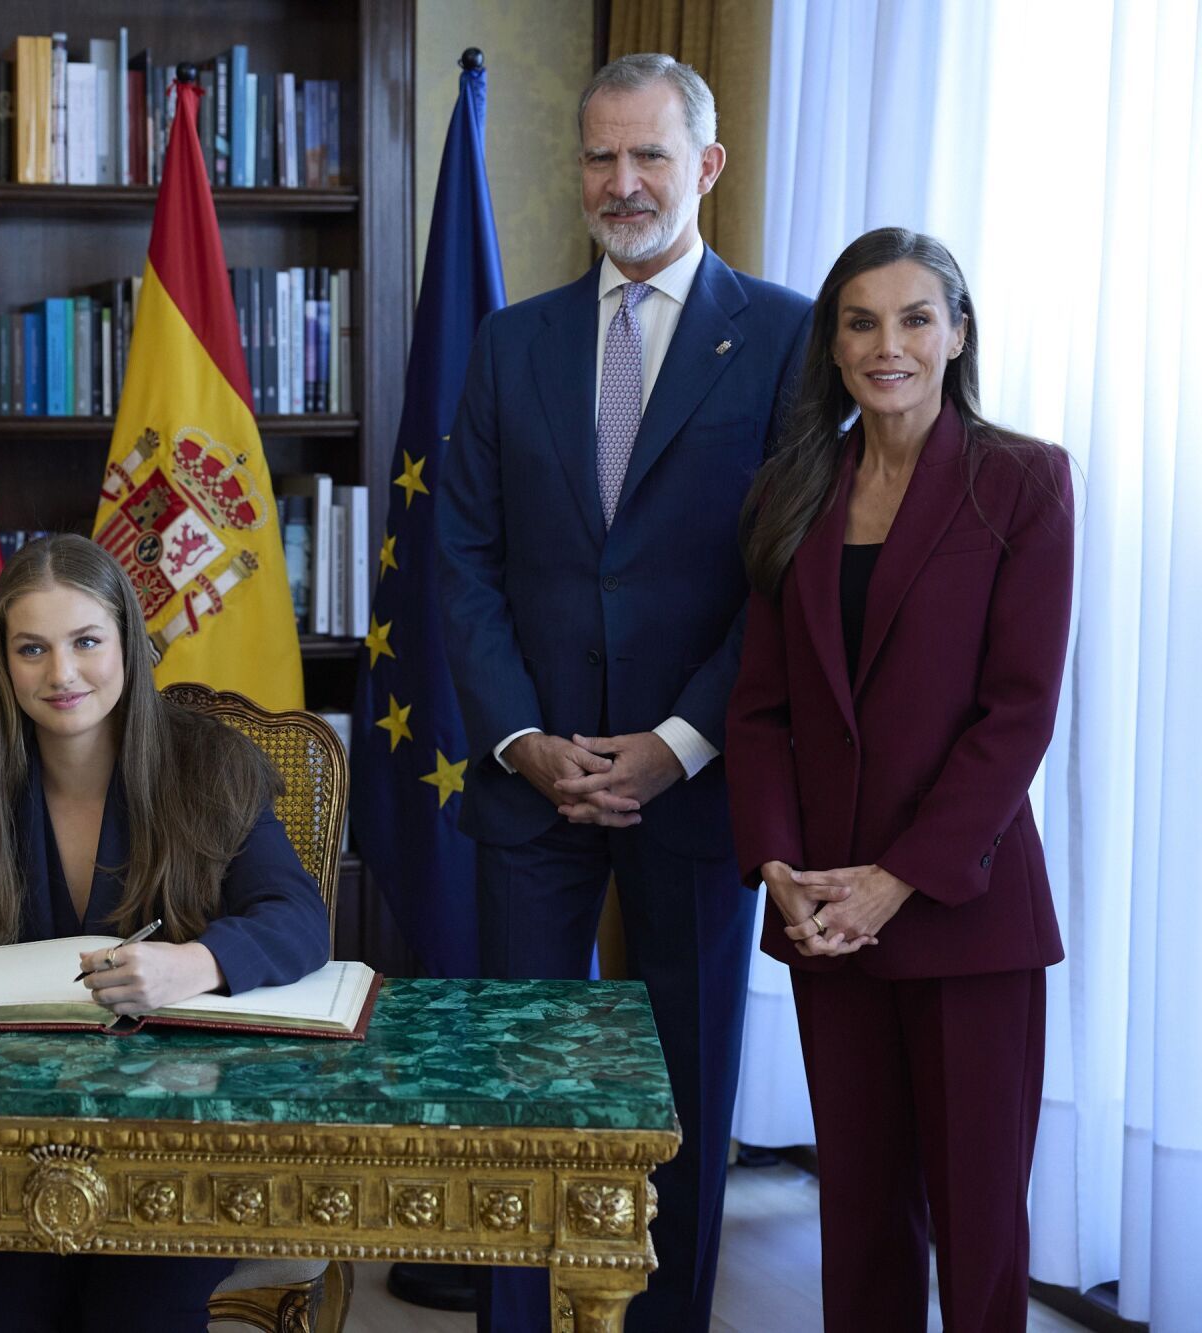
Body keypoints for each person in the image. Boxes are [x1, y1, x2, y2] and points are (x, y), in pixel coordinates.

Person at [436, 52, 814, 1333]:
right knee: (516, 1097)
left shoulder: (786, 334)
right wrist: (523, 738)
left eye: (649, 154)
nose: (621, 181)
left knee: (682, 1091)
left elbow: (786, 578)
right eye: (599, 155)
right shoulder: (509, 339)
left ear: (704, 166)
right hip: (531, 784)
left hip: (696, 787)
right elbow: (464, 559)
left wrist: (676, 741)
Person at [0, 533, 329, 1333]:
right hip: (19, 1135)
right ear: (3, 664)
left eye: (86, 641)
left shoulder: (211, 761)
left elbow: (299, 919)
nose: (62, 673)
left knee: (134, 1310)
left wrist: (195, 963)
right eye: (32, 649)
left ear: (126, 643)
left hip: (180, 1134)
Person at [726, 227, 1073, 1332]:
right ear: (830, 344)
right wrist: (778, 866)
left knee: (977, 1226)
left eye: (915, 318)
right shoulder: (791, 489)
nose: (888, 344)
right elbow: (761, 707)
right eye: (860, 321)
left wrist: (895, 879)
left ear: (956, 332)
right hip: (826, 914)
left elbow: (1016, 713)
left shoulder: (1019, 478)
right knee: (859, 1216)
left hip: (963, 912)